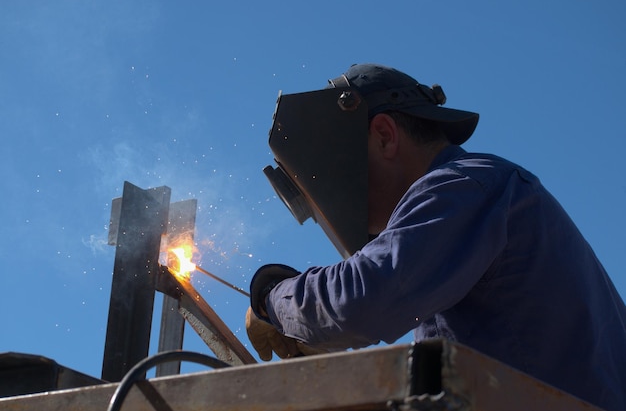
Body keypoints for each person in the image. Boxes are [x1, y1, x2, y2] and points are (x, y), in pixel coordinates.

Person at [245, 63, 626, 410]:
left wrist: (271, 297)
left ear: (384, 136)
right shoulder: (480, 197)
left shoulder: (463, 186)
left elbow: (363, 298)